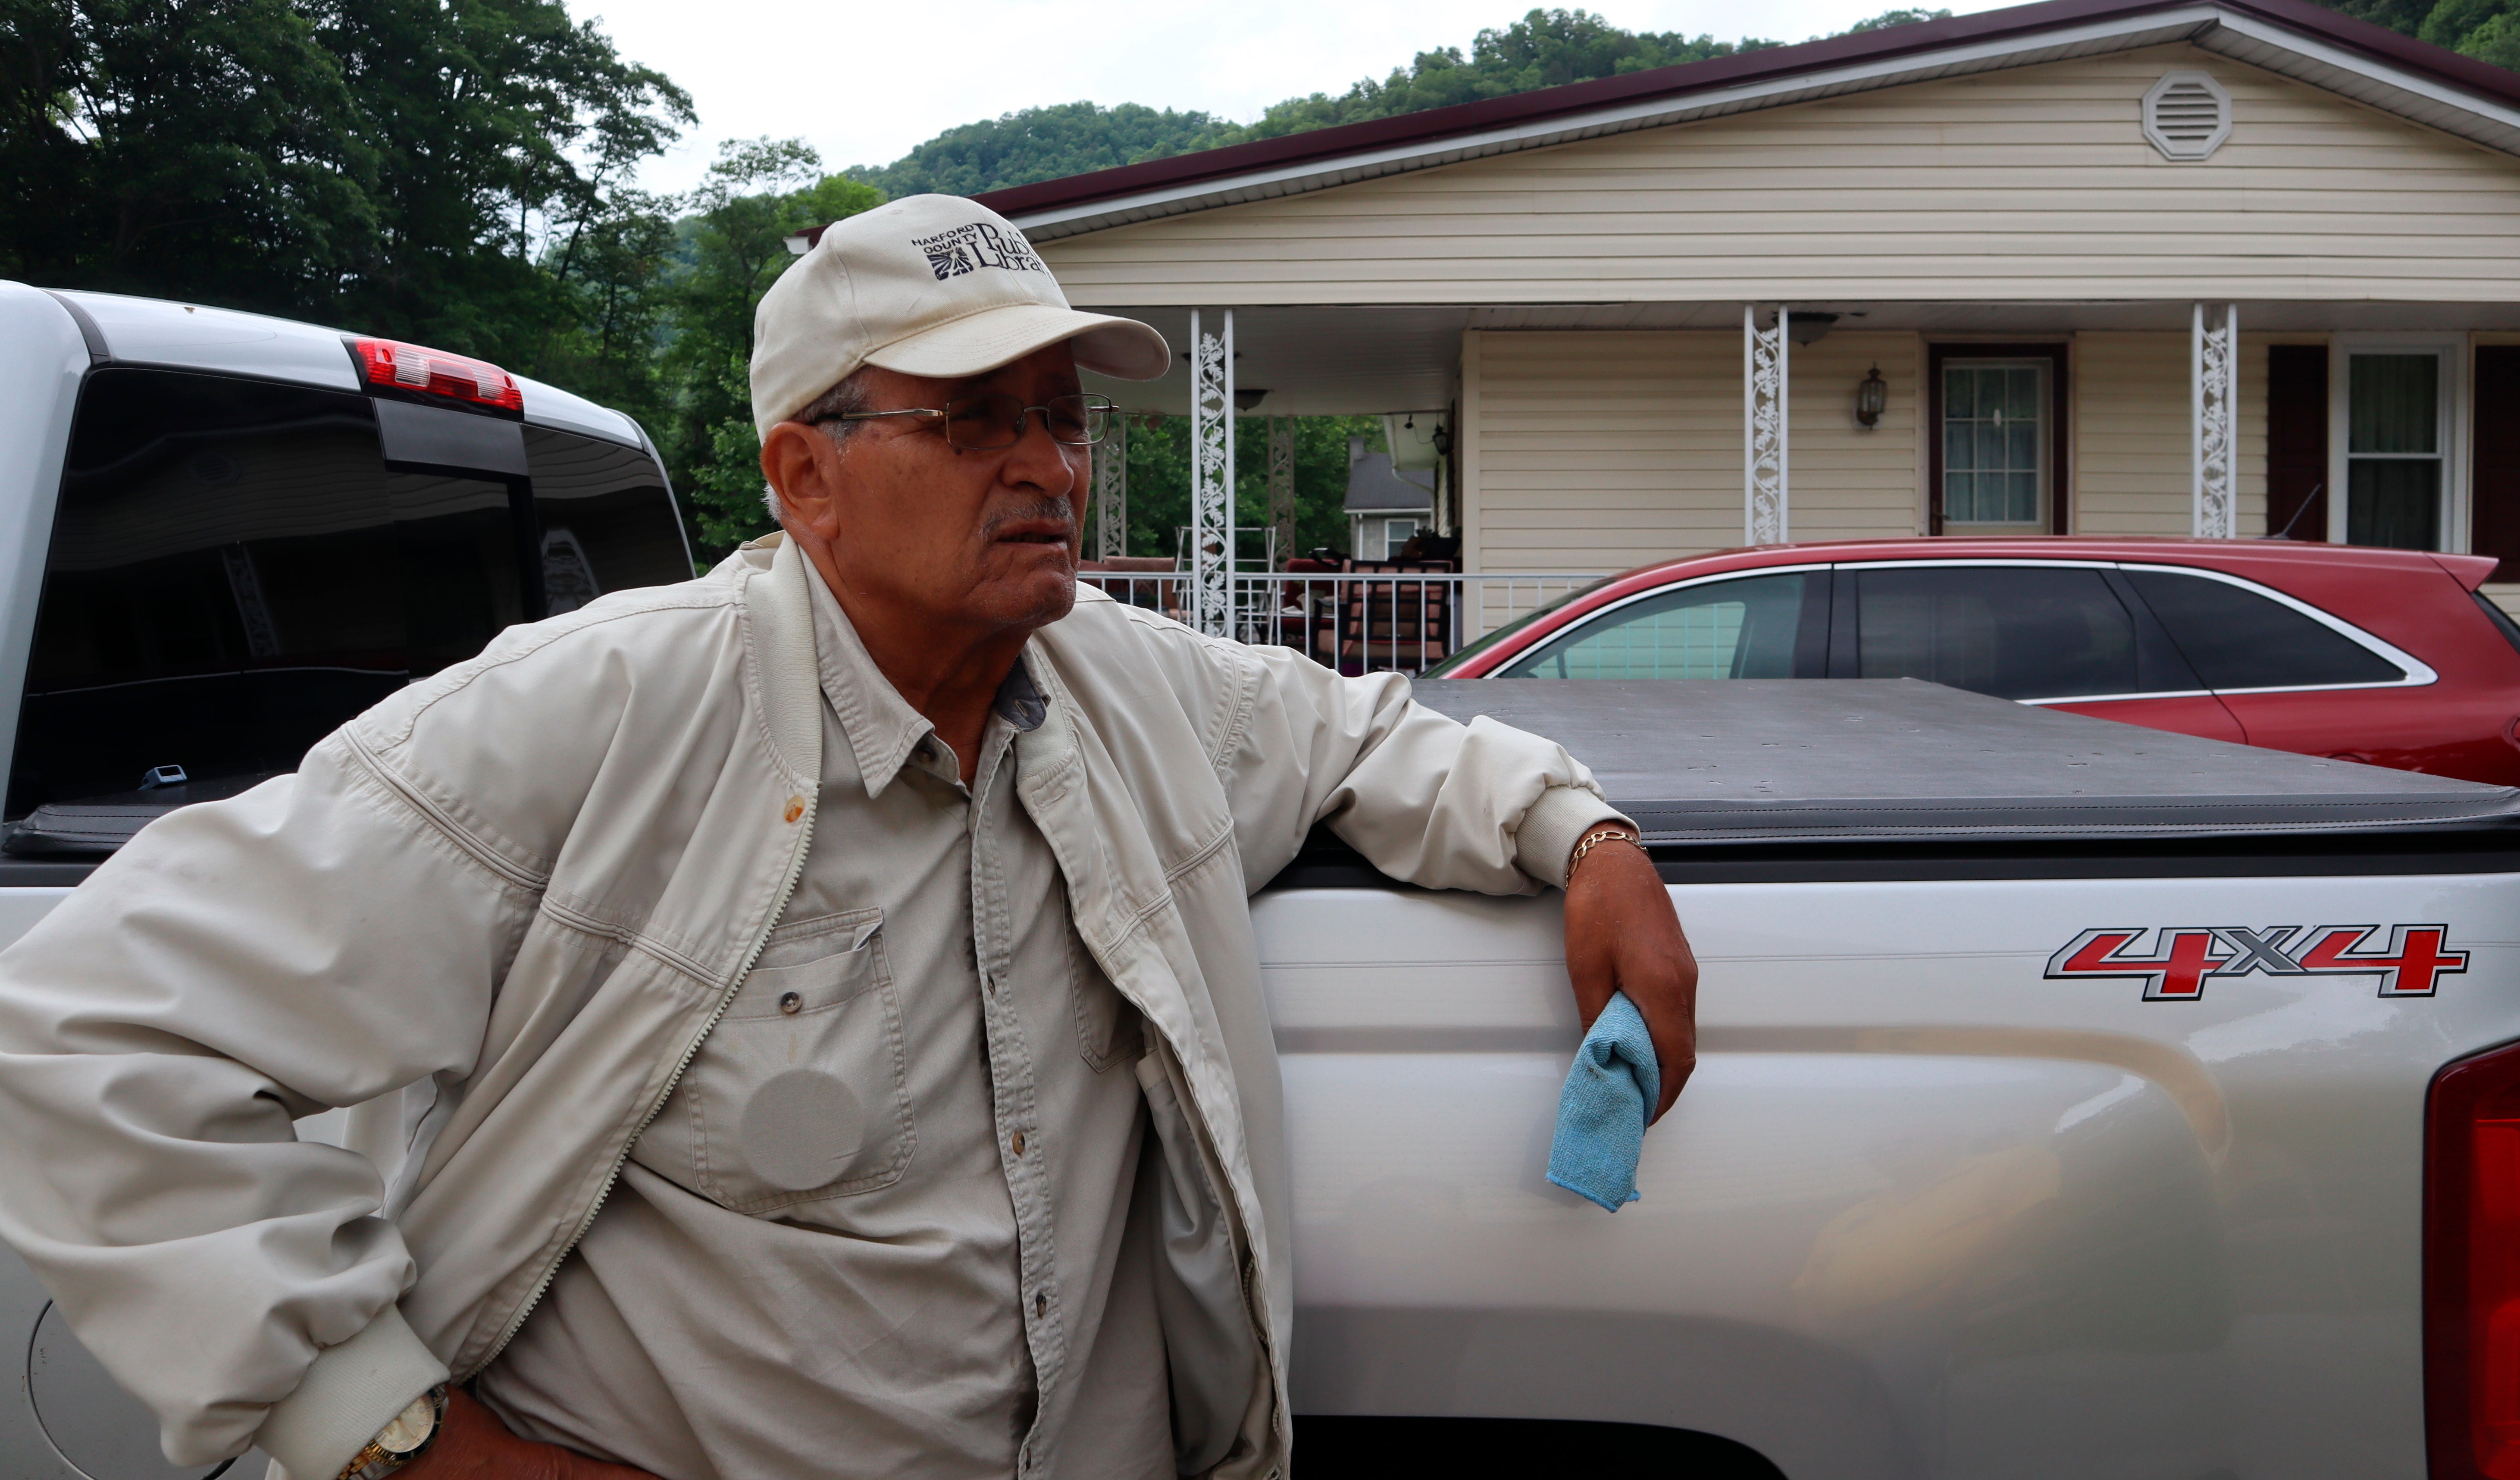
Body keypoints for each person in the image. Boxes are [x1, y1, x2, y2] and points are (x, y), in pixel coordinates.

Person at [0, 194, 1697, 1480]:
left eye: (1061, 414)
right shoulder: (595, 716)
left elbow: (1364, 739)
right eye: (973, 420)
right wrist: (398, 1437)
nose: (1047, 465)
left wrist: (1588, 839)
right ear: (805, 475)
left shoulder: (1121, 684)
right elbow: (77, 1031)